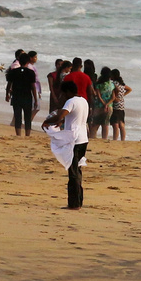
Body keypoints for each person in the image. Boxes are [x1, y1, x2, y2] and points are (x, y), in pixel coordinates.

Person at [45, 78, 90, 209]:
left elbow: (60, 115)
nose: (63, 96)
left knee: (73, 172)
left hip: (74, 140)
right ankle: (78, 200)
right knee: (77, 169)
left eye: (64, 93)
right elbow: (74, 118)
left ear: (68, 92)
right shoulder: (83, 101)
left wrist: (48, 121)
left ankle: (74, 204)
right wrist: (62, 122)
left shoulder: (71, 101)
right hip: (83, 139)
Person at [5, 51, 38, 136]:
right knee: (27, 116)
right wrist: (36, 99)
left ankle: (18, 134)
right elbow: (33, 87)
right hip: (27, 96)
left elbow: (9, 84)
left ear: (19, 61)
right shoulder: (31, 72)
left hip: (16, 96)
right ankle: (27, 134)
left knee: (17, 116)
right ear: (28, 62)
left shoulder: (13, 72)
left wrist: (7, 94)